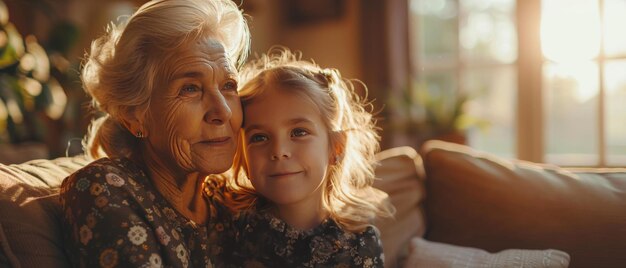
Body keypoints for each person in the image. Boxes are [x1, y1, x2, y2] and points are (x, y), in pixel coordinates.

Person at [59, 0, 250, 267]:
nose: (223, 111)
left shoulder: (231, 200)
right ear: (134, 116)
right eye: (190, 88)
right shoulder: (105, 187)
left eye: (228, 85)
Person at [212, 49, 395, 267]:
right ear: (242, 157)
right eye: (259, 137)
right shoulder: (230, 227)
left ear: (336, 148)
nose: (279, 151)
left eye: (298, 132)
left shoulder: (360, 244)